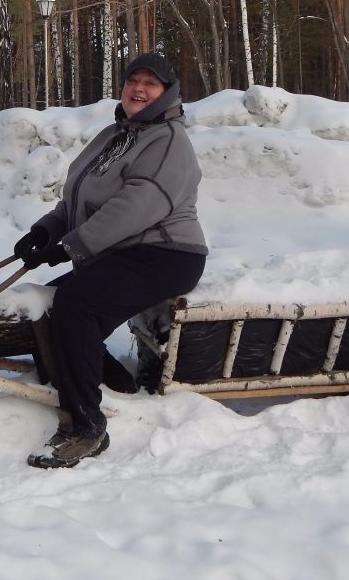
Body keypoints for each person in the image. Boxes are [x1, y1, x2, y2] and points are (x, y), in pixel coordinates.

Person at [13, 52, 207, 469]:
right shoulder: (115, 134)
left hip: (166, 253)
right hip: (121, 250)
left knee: (76, 304)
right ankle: (116, 380)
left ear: (167, 92)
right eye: (133, 80)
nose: (139, 89)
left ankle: (86, 428)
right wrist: (46, 229)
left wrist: (69, 247)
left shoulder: (169, 141)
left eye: (150, 83)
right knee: (49, 306)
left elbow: (134, 208)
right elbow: (80, 197)